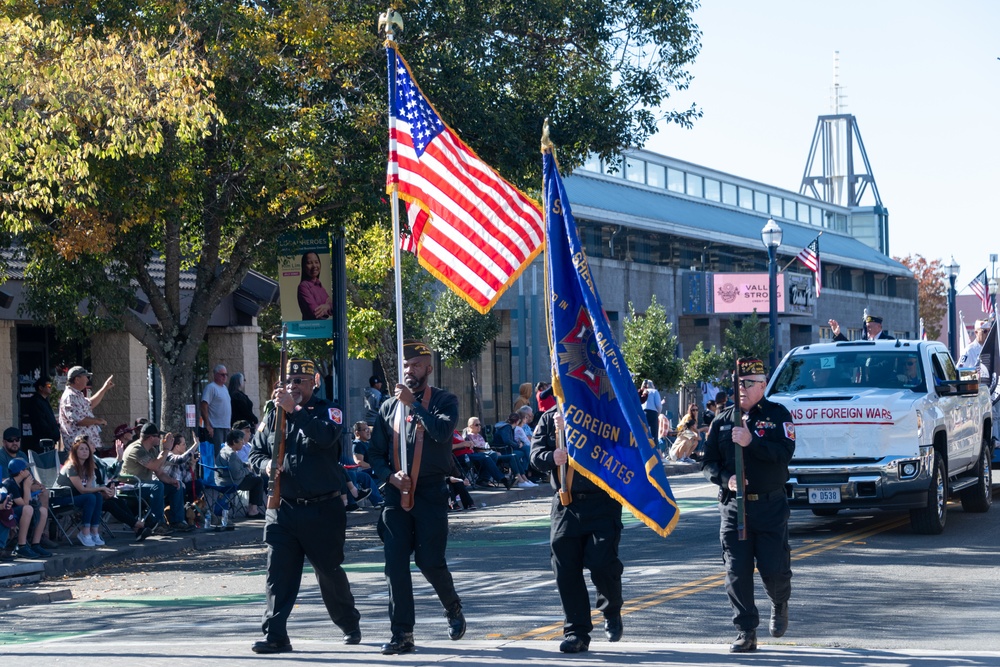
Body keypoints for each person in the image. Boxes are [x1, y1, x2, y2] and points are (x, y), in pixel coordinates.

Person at [247, 358, 361, 654]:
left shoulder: (330, 410)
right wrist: (267, 464)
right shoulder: (273, 414)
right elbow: (255, 453)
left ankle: (349, 623)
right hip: (282, 508)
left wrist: (293, 410)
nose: (293, 386)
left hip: (322, 509)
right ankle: (275, 635)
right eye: (289, 381)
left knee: (328, 571)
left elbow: (325, 438)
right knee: (278, 574)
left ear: (314, 382)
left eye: (300, 381)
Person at [368, 340, 466, 655]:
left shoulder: (444, 400)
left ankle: (451, 606)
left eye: (416, 365)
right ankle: (402, 634)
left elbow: (441, 432)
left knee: (429, 561)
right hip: (397, 495)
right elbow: (375, 454)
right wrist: (389, 476)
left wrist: (416, 405)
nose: (410, 370)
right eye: (406, 365)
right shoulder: (388, 406)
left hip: (431, 492)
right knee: (395, 564)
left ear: (428, 367)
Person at [702, 357, 796, 653]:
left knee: (773, 570)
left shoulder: (778, 415)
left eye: (749, 383)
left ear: (763, 385)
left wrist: (751, 441)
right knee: (736, 570)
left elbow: (785, 453)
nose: (742, 388)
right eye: (738, 383)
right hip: (734, 508)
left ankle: (779, 602)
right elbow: (708, 464)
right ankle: (746, 630)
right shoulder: (721, 420)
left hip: (769, 506)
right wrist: (726, 478)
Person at [529, 406, 624, 654]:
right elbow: (536, 455)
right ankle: (576, 632)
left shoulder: (605, 412)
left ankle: (611, 610)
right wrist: (553, 457)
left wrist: (577, 429)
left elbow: (624, 448)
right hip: (566, 501)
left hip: (602, 500)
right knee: (565, 568)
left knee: (602, 562)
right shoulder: (550, 417)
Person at [122, 423, 194, 533]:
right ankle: (157, 523)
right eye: (158, 436)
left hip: (145, 485)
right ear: (151, 438)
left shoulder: (152, 450)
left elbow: (159, 471)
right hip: (131, 487)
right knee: (157, 486)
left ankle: (177, 521)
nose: (160, 439)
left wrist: (172, 481)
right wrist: (166, 449)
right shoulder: (136, 449)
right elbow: (154, 465)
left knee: (176, 486)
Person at [87, 436, 155, 541]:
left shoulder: (96, 460)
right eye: (91, 443)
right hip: (90, 496)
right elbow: (86, 485)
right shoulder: (82, 464)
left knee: (119, 502)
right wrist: (103, 490)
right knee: (111, 504)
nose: (94, 444)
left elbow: (110, 475)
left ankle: (137, 529)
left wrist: (119, 458)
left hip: (101, 494)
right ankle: (137, 524)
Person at [55, 435, 108, 547]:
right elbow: (82, 490)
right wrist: (102, 488)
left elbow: (88, 488)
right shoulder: (71, 467)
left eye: (87, 449)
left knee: (97, 496)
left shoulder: (87, 467)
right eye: (81, 449)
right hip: (62, 498)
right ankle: (85, 532)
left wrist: (90, 476)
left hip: (77, 497)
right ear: (75, 452)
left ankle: (94, 531)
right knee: (91, 497)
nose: (85, 451)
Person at [3, 459, 52, 558]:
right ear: (21, 472)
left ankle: (35, 544)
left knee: (42, 511)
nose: (29, 471)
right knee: (28, 508)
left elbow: (28, 500)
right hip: (8, 513)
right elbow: (24, 504)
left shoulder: (21, 482)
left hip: (21, 512)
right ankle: (21, 546)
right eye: (27, 469)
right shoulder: (10, 484)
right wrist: (26, 487)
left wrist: (29, 487)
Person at [58, 366, 114, 453]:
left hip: (88, 448)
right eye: (85, 377)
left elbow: (90, 404)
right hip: (80, 450)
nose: (87, 380)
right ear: (77, 379)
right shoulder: (70, 396)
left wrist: (105, 388)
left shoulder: (77, 394)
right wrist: (97, 421)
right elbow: (79, 420)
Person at [217, 429, 265, 519]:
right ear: (234, 442)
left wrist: (245, 465)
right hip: (231, 482)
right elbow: (237, 475)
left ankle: (252, 508)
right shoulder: (232, 455)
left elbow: (236, 466)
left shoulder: (224, 449)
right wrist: (248, 470)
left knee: (252, 478)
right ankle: (253, 510)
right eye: (241, 441)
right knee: (259, 481)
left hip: (221, 480)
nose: (243, 443)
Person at [459, 418, 512, 489]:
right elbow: (474, 449)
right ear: (470, 426)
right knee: (487, 457)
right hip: (475, 455)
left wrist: (492, 451)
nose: (479, 426)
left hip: (485, 453)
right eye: (476, 425)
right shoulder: (467, 436)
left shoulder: (479, 436)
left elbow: (485, 446)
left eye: (480, 425)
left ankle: (483, 480)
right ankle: (502, 479)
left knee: (493, 455)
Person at [201, 364, 232, 455]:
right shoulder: (211, 388)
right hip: (215, 427)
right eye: (222, 374)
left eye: (226, 374)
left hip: (225, 427)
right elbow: (203, 406)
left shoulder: (225, 388)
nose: (225, 377)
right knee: (218, 453)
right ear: (216, 375)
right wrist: (208, 425)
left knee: (226, 453)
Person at [23, 377, 59, 453]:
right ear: (41, 387)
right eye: (48, 385)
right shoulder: (36, 402)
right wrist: (53, 434)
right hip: (42, 442)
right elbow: (41, 423)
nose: (50, 387)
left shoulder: (44, 401)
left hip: (49, 441)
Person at [297, 251, 332, 320]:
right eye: (309, 263)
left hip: (324, 328)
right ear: (303, 267)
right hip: (311, 329)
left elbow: (335, 307)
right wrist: (329, 307)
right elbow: (316, 313)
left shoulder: (320, 286)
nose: (314, 266)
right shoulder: (303, 287)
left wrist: (327, 306)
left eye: (316, 262)